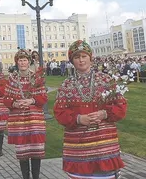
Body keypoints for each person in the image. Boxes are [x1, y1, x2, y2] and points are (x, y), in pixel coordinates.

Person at [54, 40, 127, 179]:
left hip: (104, 147)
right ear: (72, 61)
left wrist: (104, 113)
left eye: (84, 56)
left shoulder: (106, 80)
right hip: (78, 148)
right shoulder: (66, 84)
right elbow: (59, 112)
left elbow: (121, 106)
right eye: (76, 57)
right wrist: (79, 118)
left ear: (90, 58)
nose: (81, 60)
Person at [4, 49, 47, 179]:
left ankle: (36, 177)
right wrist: (15, 104)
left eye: (25, 60)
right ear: (17, 62)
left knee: (36, 150)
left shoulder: (36, 77)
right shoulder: (12, 79)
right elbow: (6, 98)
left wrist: (31, 100)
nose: (22, 62)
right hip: (18, 120)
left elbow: (43, 97)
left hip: (35, 120)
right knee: (22, 150)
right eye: (20, 60)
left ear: (29, 62)